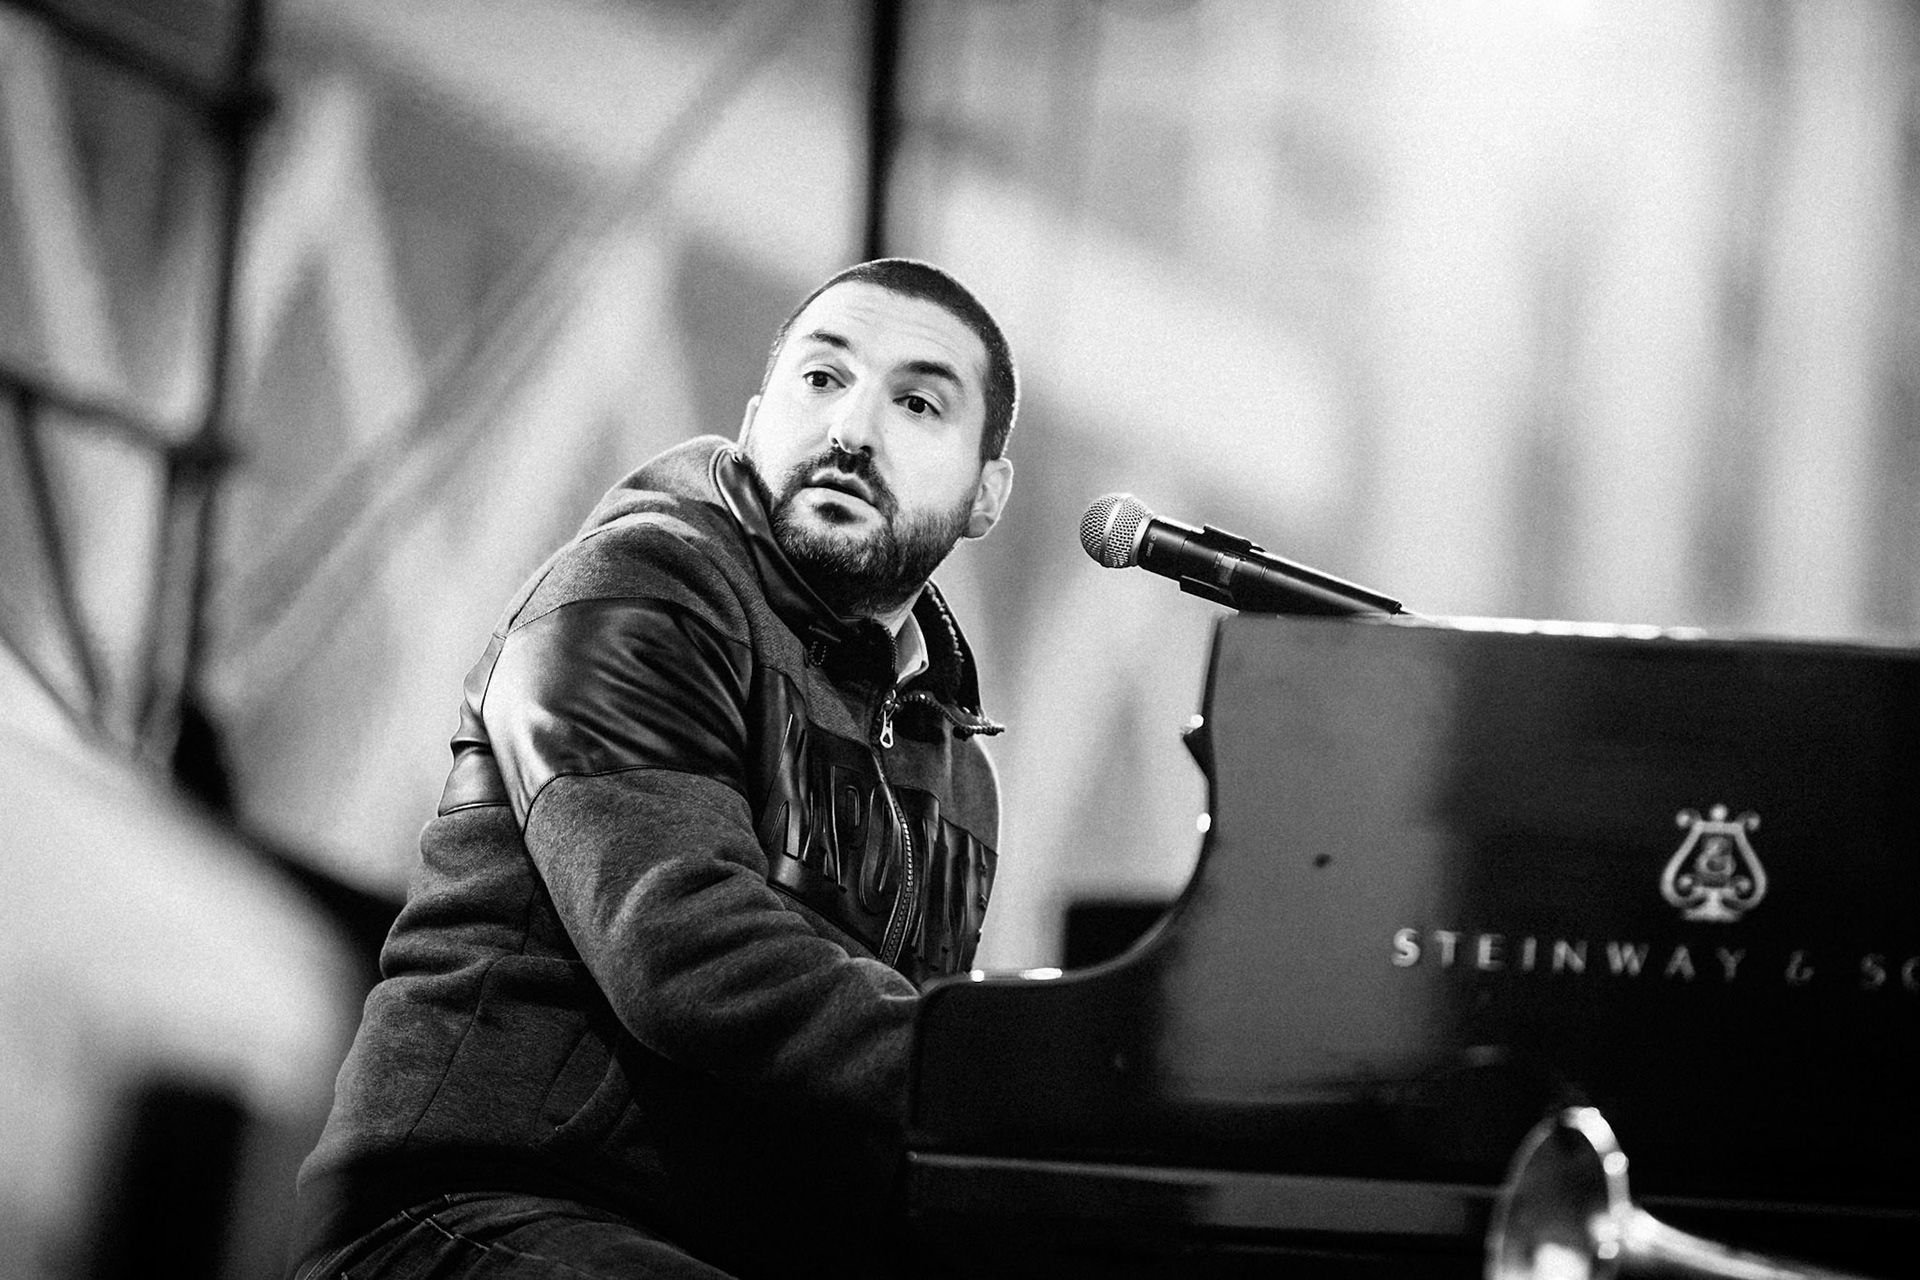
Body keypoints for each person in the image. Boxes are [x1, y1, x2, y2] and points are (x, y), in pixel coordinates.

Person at [289, 258, 1018, 1279]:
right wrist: (1016, 1073)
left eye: (917, 403)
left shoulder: (958, 765)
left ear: (987, 493)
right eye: (822, 379)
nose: (852, 429)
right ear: (756, 419)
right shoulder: (638, 586)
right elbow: (682, 947)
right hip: (470, 1212)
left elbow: (888, 1105)